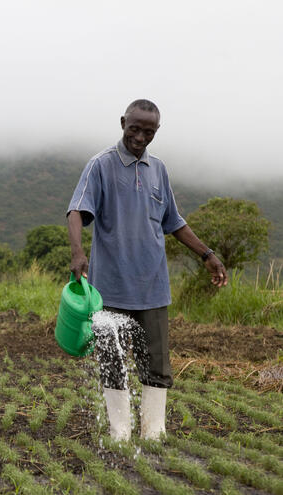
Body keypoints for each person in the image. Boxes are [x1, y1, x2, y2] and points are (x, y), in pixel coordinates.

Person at [67, 99, 227, 442]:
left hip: (152, 286)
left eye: (148, 132)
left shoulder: (159, 169)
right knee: (112, 360)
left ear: (157, 132)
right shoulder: (100, 165)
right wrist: (78, 252)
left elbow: (174, 222)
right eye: (134, 129)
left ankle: (154, 433)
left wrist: (207, 255)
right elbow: (77, 210)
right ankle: (119, 432)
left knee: (157, 363)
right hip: (109, 288)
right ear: (123, 122)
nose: (140, 137)